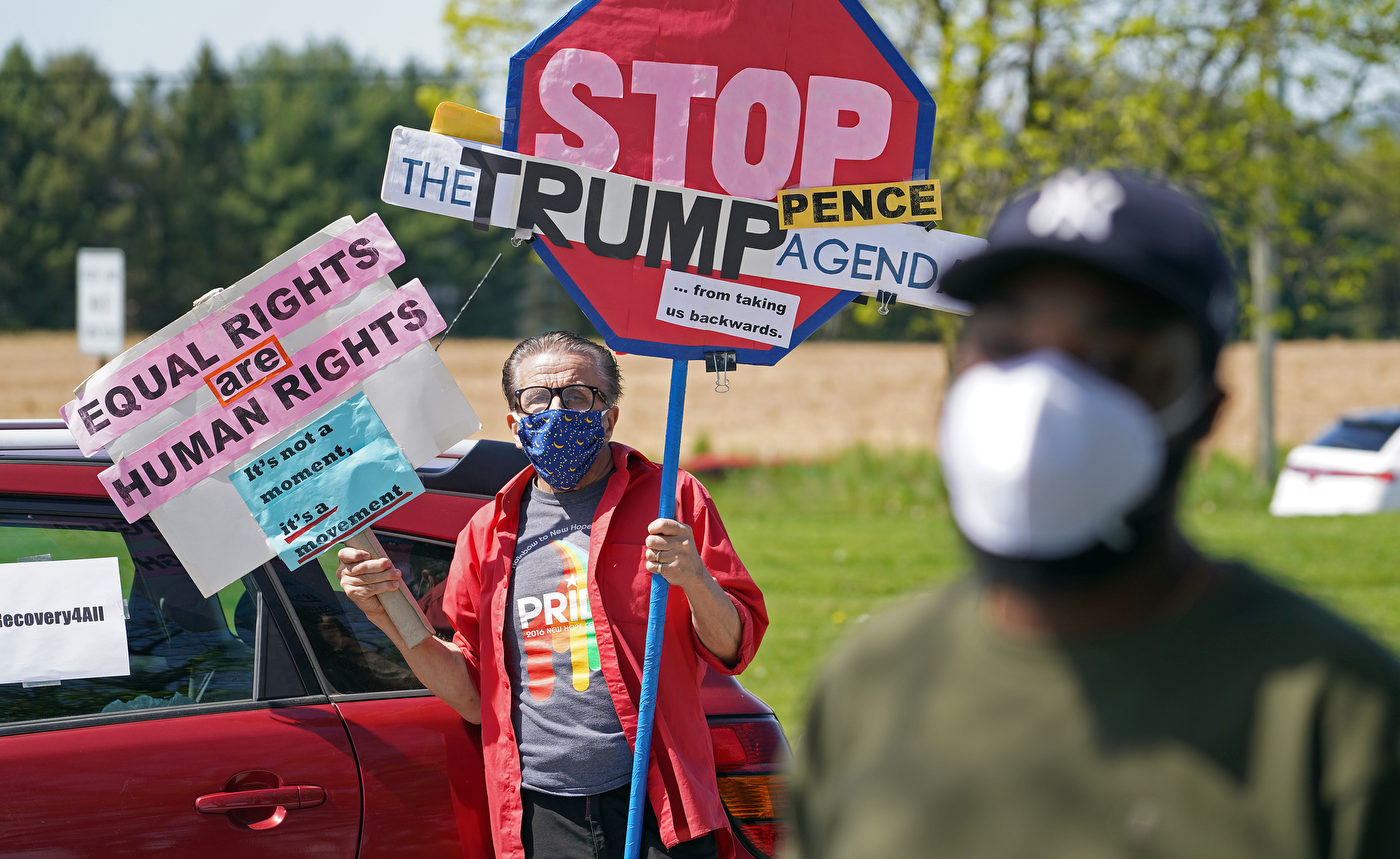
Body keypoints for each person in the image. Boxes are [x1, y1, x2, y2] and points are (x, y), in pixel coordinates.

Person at [785, 169, 1400, 858]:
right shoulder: (871, 686)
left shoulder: (1334, 714)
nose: (1042, 403)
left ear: (1206, 410)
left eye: (1114, 358)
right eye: (1008, 347)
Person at [338, 331, 766, 859]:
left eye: (579, 395)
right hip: (542, 812)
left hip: (657, 801)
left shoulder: (673, 500)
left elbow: (734, 648)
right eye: (537, 399)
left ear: (608, 415)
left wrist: (695, 579)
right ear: (515, 423)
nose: (558, 410)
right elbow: (475, 697)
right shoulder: (484, 532)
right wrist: (388, 618)